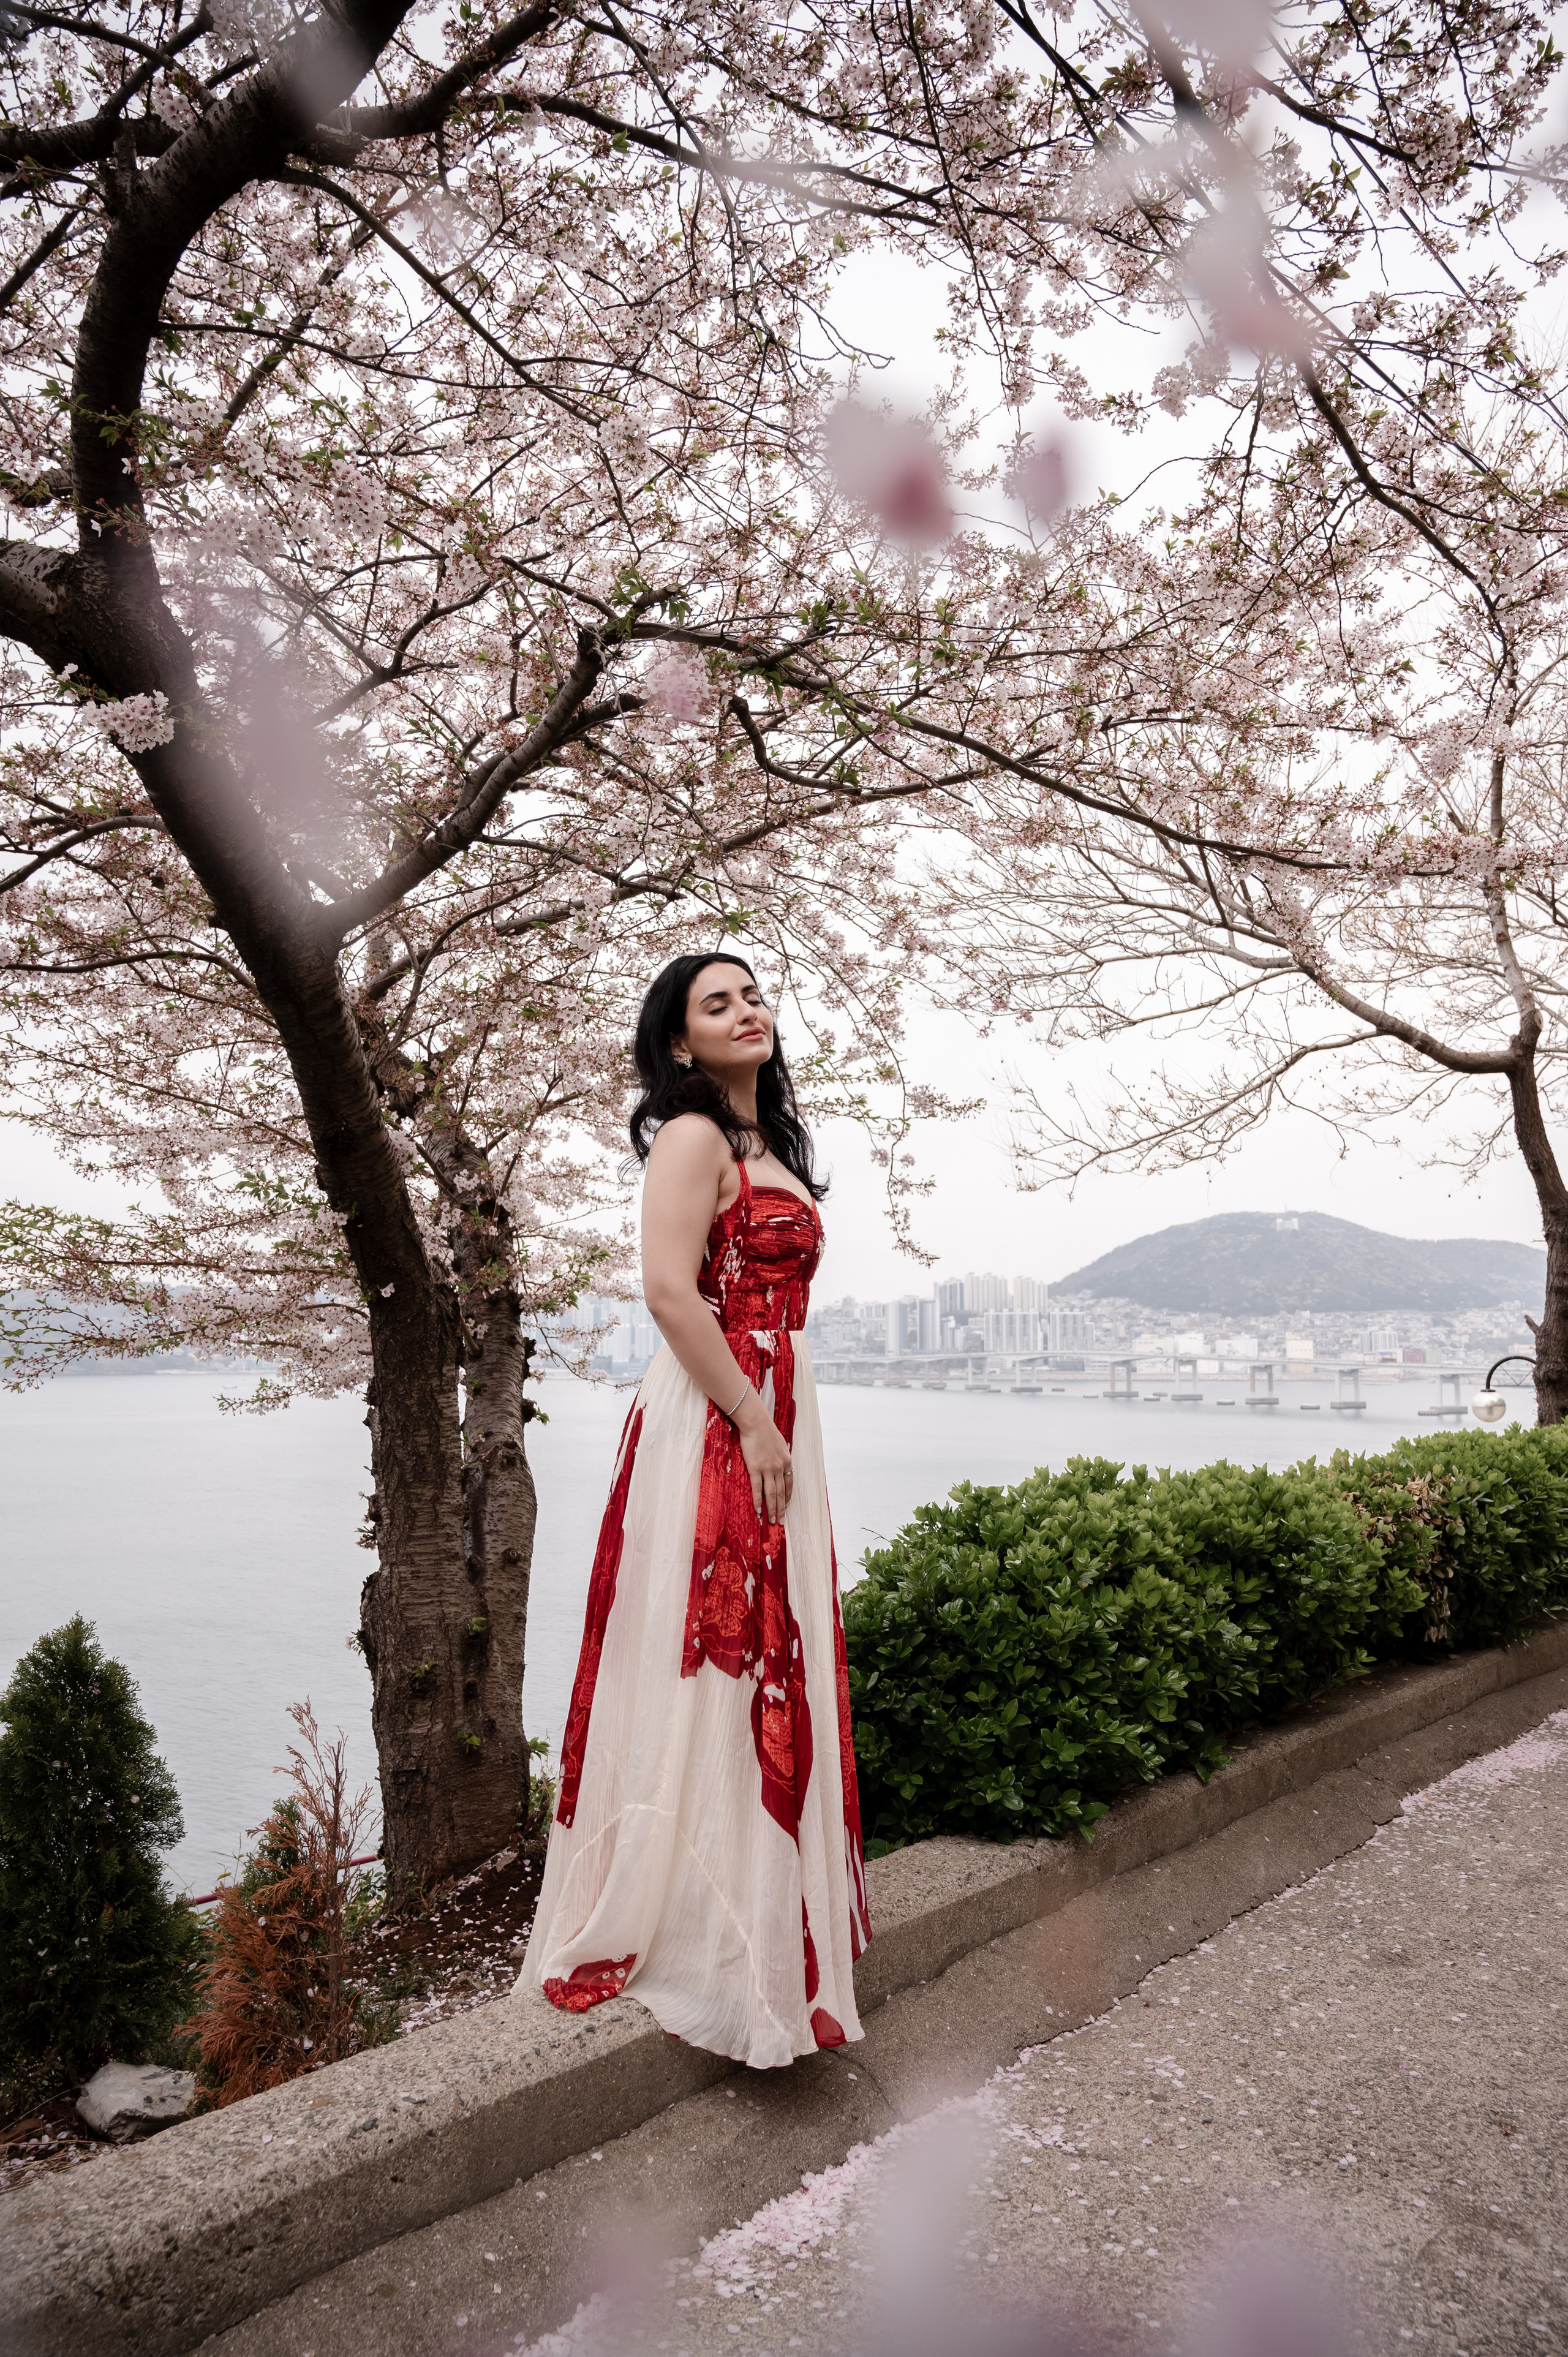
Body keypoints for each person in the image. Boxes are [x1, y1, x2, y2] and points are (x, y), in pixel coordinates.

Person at [519, 952, 871, 2067]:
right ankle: (703, 1933)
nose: (746, 1011)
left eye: (753, 994)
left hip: (776, 1399)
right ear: (679, 1042)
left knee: (776, 1646)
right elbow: (671, 1291)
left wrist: (781, 1416)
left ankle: (761, 1930)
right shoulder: (692, 1137)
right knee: (716, 1654)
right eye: (715, 1004)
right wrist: (754, 1423)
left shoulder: (768, 1144)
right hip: (722, 1414)